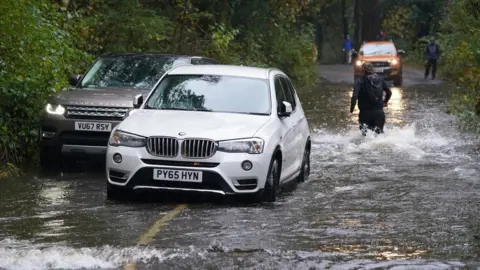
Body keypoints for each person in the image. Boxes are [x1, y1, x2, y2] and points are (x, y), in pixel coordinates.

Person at [350, 62, 392, 136]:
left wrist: (351, 111)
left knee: (365, 138)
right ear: (373, 69)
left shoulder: (359, 81)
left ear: (362, 70)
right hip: (379, 113)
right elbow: (389, 93)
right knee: (379, 137)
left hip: (365, 114)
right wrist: (385, 102)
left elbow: (354, 97)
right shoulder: (381, 79)